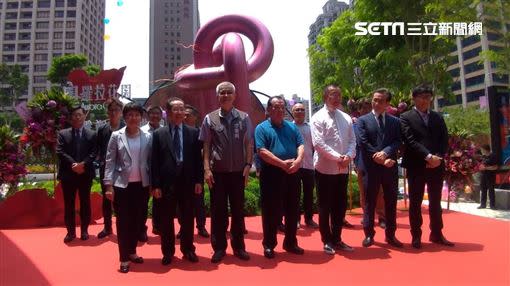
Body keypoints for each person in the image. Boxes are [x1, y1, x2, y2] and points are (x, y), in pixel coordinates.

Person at [200, 82, 252, 263]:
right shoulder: (209, 118)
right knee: (218, 211)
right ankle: (219, 248)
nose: (226, 95)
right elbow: (206, 145)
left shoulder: (244, 117)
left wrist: (248, 164)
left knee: (238, 211)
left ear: (234, 95)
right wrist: (206, 169)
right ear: (218, 96)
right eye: (222, 92)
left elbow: (248, 143)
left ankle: (239, 247)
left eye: (229, 92)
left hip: (238, 173)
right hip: (218, 174)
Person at [400, 84, 454, 249]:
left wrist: (437, 157)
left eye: (428, 97)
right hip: (417, 165)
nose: (425, 100)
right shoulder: (405, 117)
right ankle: (416, 235)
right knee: (415, 202)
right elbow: (410, 141)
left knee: (435, 201)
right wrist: (427, 157)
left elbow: (444, 139)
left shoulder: (438, 117)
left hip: (436, 165)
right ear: (414, 98)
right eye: (422, 97)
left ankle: (437, 233)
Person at [151, 97, 202, 266]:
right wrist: (155, 185)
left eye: (182, 109)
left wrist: (198, 181)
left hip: (187, 182)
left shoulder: (193, 133)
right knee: (166, 220)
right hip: (167, 184)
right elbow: (154, 162)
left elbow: (197, 160)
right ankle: (168, 252)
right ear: (168, 112)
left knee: (188, 218)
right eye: (176, 109)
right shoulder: (159, 134)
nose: (180, 112)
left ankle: (188, 249)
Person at [103, 102, 152, 273]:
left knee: (138, 222)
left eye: (137, 115)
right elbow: (109, 161)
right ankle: (124, 258)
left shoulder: (147, 136)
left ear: (141, 117)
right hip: (122, 186)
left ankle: (132, 251)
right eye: (130, 115)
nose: (134, 118)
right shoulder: (117, 136)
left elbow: (151, 162)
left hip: (142, 186)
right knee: (124, 223)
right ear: (125, 117)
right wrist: (108, 186)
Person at [255, 95, 305, 259]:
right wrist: (282, 164)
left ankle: (291, 242)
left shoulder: (292, 127)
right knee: (271, 211)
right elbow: (262, 151)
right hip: (272, 173)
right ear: (268, 110)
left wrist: (298, 161)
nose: (279, 110)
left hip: (292, 172)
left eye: (282, 107)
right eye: (275, 107)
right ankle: (269, 244)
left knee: (292, 209)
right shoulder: (261, 128)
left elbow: (301, 145)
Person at [310, 85, 356, 255]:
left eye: (338, 95)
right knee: (325, 206)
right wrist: (339, 158)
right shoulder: (317, 117)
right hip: (325, 168)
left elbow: (353, 141)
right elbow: (319, 144)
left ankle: (337, 238)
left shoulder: (346, 117)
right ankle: (327, 240)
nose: (336, 98)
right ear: (325, 97)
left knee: (340, 206)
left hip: (342, 169)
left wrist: (349, 156)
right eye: (332, 95)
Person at [356, 89, 403, 248]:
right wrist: (379, 157)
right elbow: (362, 142)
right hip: (370, 167)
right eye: (374, 100)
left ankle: (391, 235)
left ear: (387, 104)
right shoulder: (362, 120)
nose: (376, 103)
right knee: (369, 202)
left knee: (391, 202)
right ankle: (369, 234)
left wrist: (385, 153)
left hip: (389, 166)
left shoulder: (395, 121)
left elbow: (397, 141)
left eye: (380, 101)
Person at [56, 106, 97, 243]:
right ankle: (70, 232)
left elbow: (94, 152)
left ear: (84, 116)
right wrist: (74, 164)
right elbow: (60, 151)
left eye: (80, 115)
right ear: (70, 118)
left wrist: (83, 164)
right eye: (74, 115)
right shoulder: (63, 134)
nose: (77, 117)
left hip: (85, 173)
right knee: (69, 204)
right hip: (68, 174)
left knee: (85, 202)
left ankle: (84, 231)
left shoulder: (92, 134)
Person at [96, 98, 124, 239]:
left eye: (116, 110)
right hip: (106, 169)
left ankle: (123, 227)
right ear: (107, 112)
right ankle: (107, 227)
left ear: (121, 112)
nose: (113, 112)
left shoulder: (125, 128)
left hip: (123, 170)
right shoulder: (102, 129)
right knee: (107, 199)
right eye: (111, 110)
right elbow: (99, 149)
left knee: (122, 200)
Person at [291, 102, 319, 228]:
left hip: (309, 165)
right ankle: (295, 219)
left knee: (308, 194)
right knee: (294, 194)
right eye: (297, 110)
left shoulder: (311, 128)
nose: (300, 112)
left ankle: (309, 219)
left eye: (302, 109)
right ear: (292, 112)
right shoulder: (288, 127)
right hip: (294, 165)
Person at [183, 104, 209, 238]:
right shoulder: (178, 131)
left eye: (188, 115)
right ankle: (183, 228)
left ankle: (201, 226)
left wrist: (204, 172)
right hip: (181, 174)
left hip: (196, 172)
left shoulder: (200, 133)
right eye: (184, 114)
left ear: (195, 117)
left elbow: (204, 155)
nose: (185, 116)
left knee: (199, 202)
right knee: (182, 203)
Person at [140, 105, 164, 238]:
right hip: (144, 170)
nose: (155, 116)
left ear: (161, 116)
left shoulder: (166, 130)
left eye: (157, 113)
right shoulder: (141, 131)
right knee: (143, 202)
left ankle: (157, 226)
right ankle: (141, 228)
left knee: (159, 200)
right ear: (147, 115)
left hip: (160, 172)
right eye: (152, 113)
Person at [478, 144, 498, 209]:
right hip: (483, 176)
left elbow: (495, 167)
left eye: (482, 149)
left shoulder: (493, 156)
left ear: (486, 149)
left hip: (490, 176)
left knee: (491, 190)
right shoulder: (483, 157)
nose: (481, 151)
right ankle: (483, 204)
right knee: (483, 190)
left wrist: (486, 168)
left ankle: (492, 205)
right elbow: (481, 165)